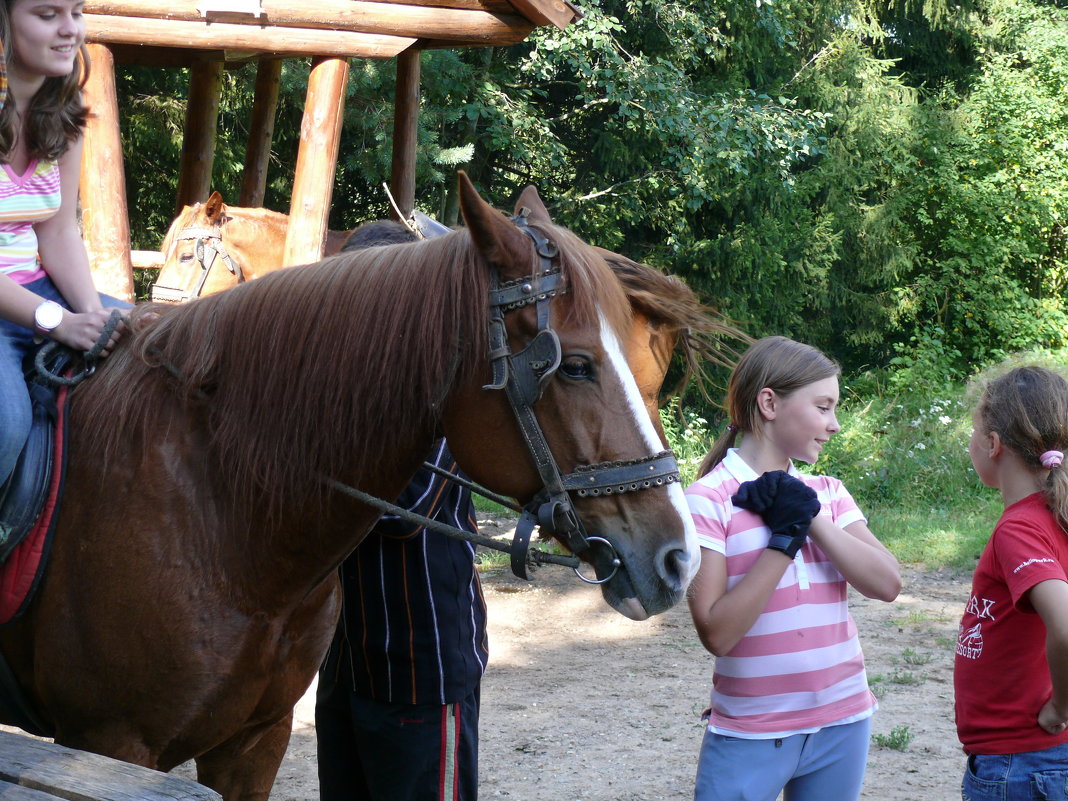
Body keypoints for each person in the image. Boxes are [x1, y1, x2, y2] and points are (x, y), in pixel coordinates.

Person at [683, 335, 901, 801]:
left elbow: (887, 583)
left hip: (843, 720)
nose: (835, 425)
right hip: (751, 729)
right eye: (824, 407)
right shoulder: (706, 501)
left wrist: (811, 517)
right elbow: (717, 634)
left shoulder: (828, 492)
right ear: (769, 403)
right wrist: (783, 543)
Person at [315, 220, 488, 801]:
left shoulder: (445, 393)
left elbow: (398, 511)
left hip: (421, 670)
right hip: (345, 662)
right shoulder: (338, 387)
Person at [0, 0, 123, 485]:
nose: (70, 29)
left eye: (76, 11)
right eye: (48, 14)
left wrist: (95, 319)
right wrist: (58, 322)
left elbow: (58, 231)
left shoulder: (62, 118)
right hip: (19, 309)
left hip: (40, 289)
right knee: (6, 428)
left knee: (164, 341)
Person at [954, 365, 1068, 800]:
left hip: (1021, 763)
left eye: (974, 432)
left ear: (993, 444)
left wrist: (1061, 705)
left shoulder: (1019, 529)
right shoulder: (1055, 515)